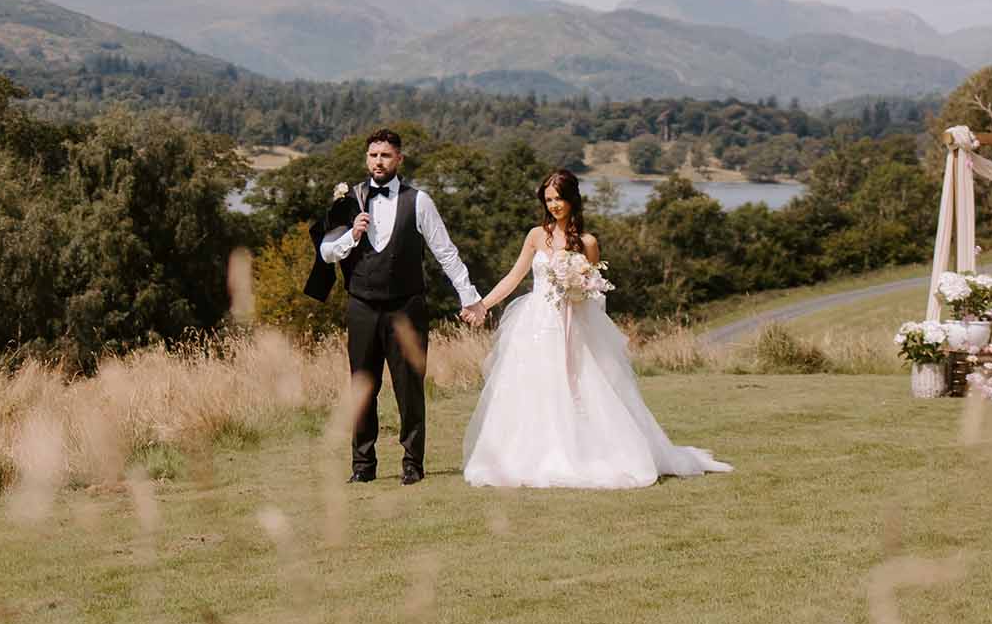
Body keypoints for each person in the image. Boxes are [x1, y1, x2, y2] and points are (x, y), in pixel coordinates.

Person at [461, 169, 732, 488]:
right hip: (536, 323)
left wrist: (576, 290)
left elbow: (595, 290)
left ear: (572, 199)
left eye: (559, 198)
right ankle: (530, 455)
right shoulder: (536, 236)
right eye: (548, 200)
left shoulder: (588, 242)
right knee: (533, 387)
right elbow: (514, 277)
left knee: (579, 385)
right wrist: (482, 304)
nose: (553, 205)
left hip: (574, 322)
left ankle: (587, 452)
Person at [307, 129, 486, 485]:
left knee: (409, 386)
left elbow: (446, 253)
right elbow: (325, 253)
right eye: (373, 155)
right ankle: (363, 465)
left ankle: (412, 464)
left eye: (386, 156)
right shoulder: (351, 199)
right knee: (362, 386)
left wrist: (470, 298)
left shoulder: (419, 201)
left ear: (399, 160)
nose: (378, 161)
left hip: (407, 306)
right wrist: (351, 235)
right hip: (361, 306)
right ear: (366, 159)